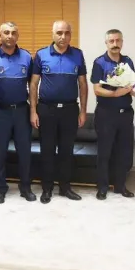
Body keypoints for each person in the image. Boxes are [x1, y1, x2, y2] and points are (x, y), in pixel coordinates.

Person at [30, 20, 88, 204]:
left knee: (66, 151)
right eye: (59, 33)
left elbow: (83, 84)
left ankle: (65, 188)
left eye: (66, 33)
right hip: (46, 110)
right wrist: (33, 111)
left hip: (70, 110)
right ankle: (47, 189)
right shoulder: (41, 54)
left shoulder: (78, 54)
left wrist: (83, 111)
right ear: (53, 34)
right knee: (47, 151)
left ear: (71, 34)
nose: (63, 37)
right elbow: (33, 84)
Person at [0, 22, 37, 203]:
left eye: (13, 33)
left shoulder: (26, 57)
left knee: (24, 152)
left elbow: (32, 85)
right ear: (0, 36)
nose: (10, 36)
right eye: (6, 32)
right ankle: (0, 188)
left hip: (21, 110)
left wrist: (33, 110)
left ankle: (25, 187)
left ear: (17, 36)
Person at [90, 29, 135, 200]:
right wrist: (115, 93)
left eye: (118, 40)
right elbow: (97, 89)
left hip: (125, 114)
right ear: (106, 43)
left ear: (122, 42)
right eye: (112, 41)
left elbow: (132, 83)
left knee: (123, 153)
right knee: (104, 153)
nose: (115, 44)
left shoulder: (128, 61)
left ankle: (120, 186)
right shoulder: (99, 62)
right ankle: (102, 188)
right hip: (106, 114)